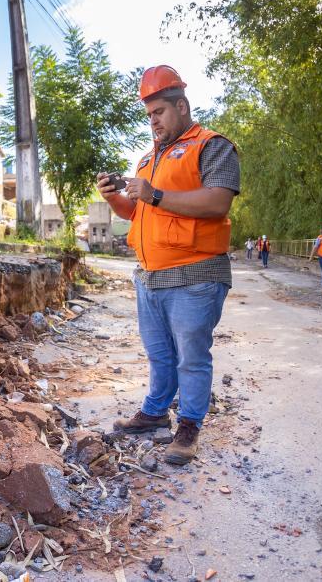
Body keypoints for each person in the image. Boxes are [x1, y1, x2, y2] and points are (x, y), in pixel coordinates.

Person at [97, 65, 239, 466]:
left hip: (196, 276)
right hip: (150, 278)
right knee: (159, 354)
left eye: (159, 111)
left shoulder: (212, 146)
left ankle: (189, 427)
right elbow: (138, 213)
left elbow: (217, 203)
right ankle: (156, 411)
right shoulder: (148, 159)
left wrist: (155, 194)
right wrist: (113, 198)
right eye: (149, 115)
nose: (153, 121)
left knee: (191, 356)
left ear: (182, 105)